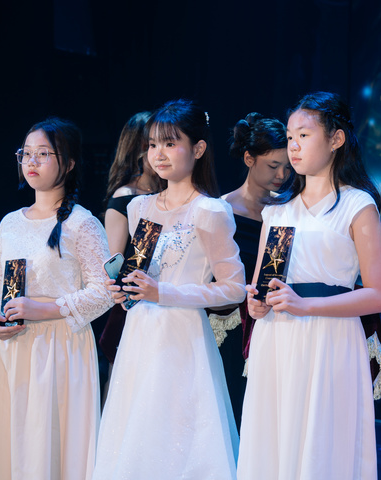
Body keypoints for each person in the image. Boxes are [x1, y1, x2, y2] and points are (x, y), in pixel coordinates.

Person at [237, 91, 381, 480]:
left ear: (336, 139)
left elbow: (379, 295)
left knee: (323, 447)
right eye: (290, 137)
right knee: (275, 443)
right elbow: (259, 287)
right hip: (277, 339)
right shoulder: (277, 210)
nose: (293, 145)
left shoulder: (357, 205)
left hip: (330, 338)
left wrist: (306, 305)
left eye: (303, 135)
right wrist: (256, 305)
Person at [93, 99, 246, 479]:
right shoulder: (139, 207)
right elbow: (142, 273)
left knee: (179, 439)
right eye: (152, 145)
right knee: (135, 438)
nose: (158, 154)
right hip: (139, 334)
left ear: (198, 148)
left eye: (170, 143)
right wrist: (126, 292)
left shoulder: (210, 211)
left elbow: (234, 288)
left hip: (182, 338)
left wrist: (165, 293)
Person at [0, 118, 113, 480]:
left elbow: (104, 292)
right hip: (14, 347)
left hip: (61, 347)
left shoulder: (82, 223)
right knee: (15, 445)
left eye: (43, 153)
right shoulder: (10, 222)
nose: (31, 161)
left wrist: (45, 309)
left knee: (52, 444)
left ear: (68, 163)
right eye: (26, 153)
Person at [218, 112, 289, 429]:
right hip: (230, 324)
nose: (282, 175)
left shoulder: (287, 210)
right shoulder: (221, 210)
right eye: (273, 166)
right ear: (249, 158)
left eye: (288, 167)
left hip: (274, 321)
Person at [99, 111, 157, 377]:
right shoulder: (125, 197)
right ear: (140, 149)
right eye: (154, 144)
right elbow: (113, 262)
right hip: (133, 305)